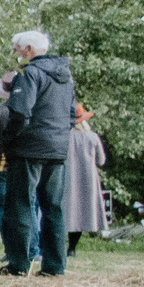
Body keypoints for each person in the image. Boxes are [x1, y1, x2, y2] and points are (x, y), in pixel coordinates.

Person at [0, 30, 75, 276]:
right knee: (53, 207)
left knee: (18, 203)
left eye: (17, 49)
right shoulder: (65, 76)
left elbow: (20, 112)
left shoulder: (30, 73)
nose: (16, 54)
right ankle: (55, 266)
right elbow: (71, 115)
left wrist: (7, 140)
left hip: (28, 147)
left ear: (28, 50)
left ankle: (18, 265)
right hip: (57, 148)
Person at [63, 104, 109, 253]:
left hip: (68, 177)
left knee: (67, 211)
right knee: (82, 212)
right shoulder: (92, 137)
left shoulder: (65, 136)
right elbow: (101, 161)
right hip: (87, 179)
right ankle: (72, 248)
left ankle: (57, 245)